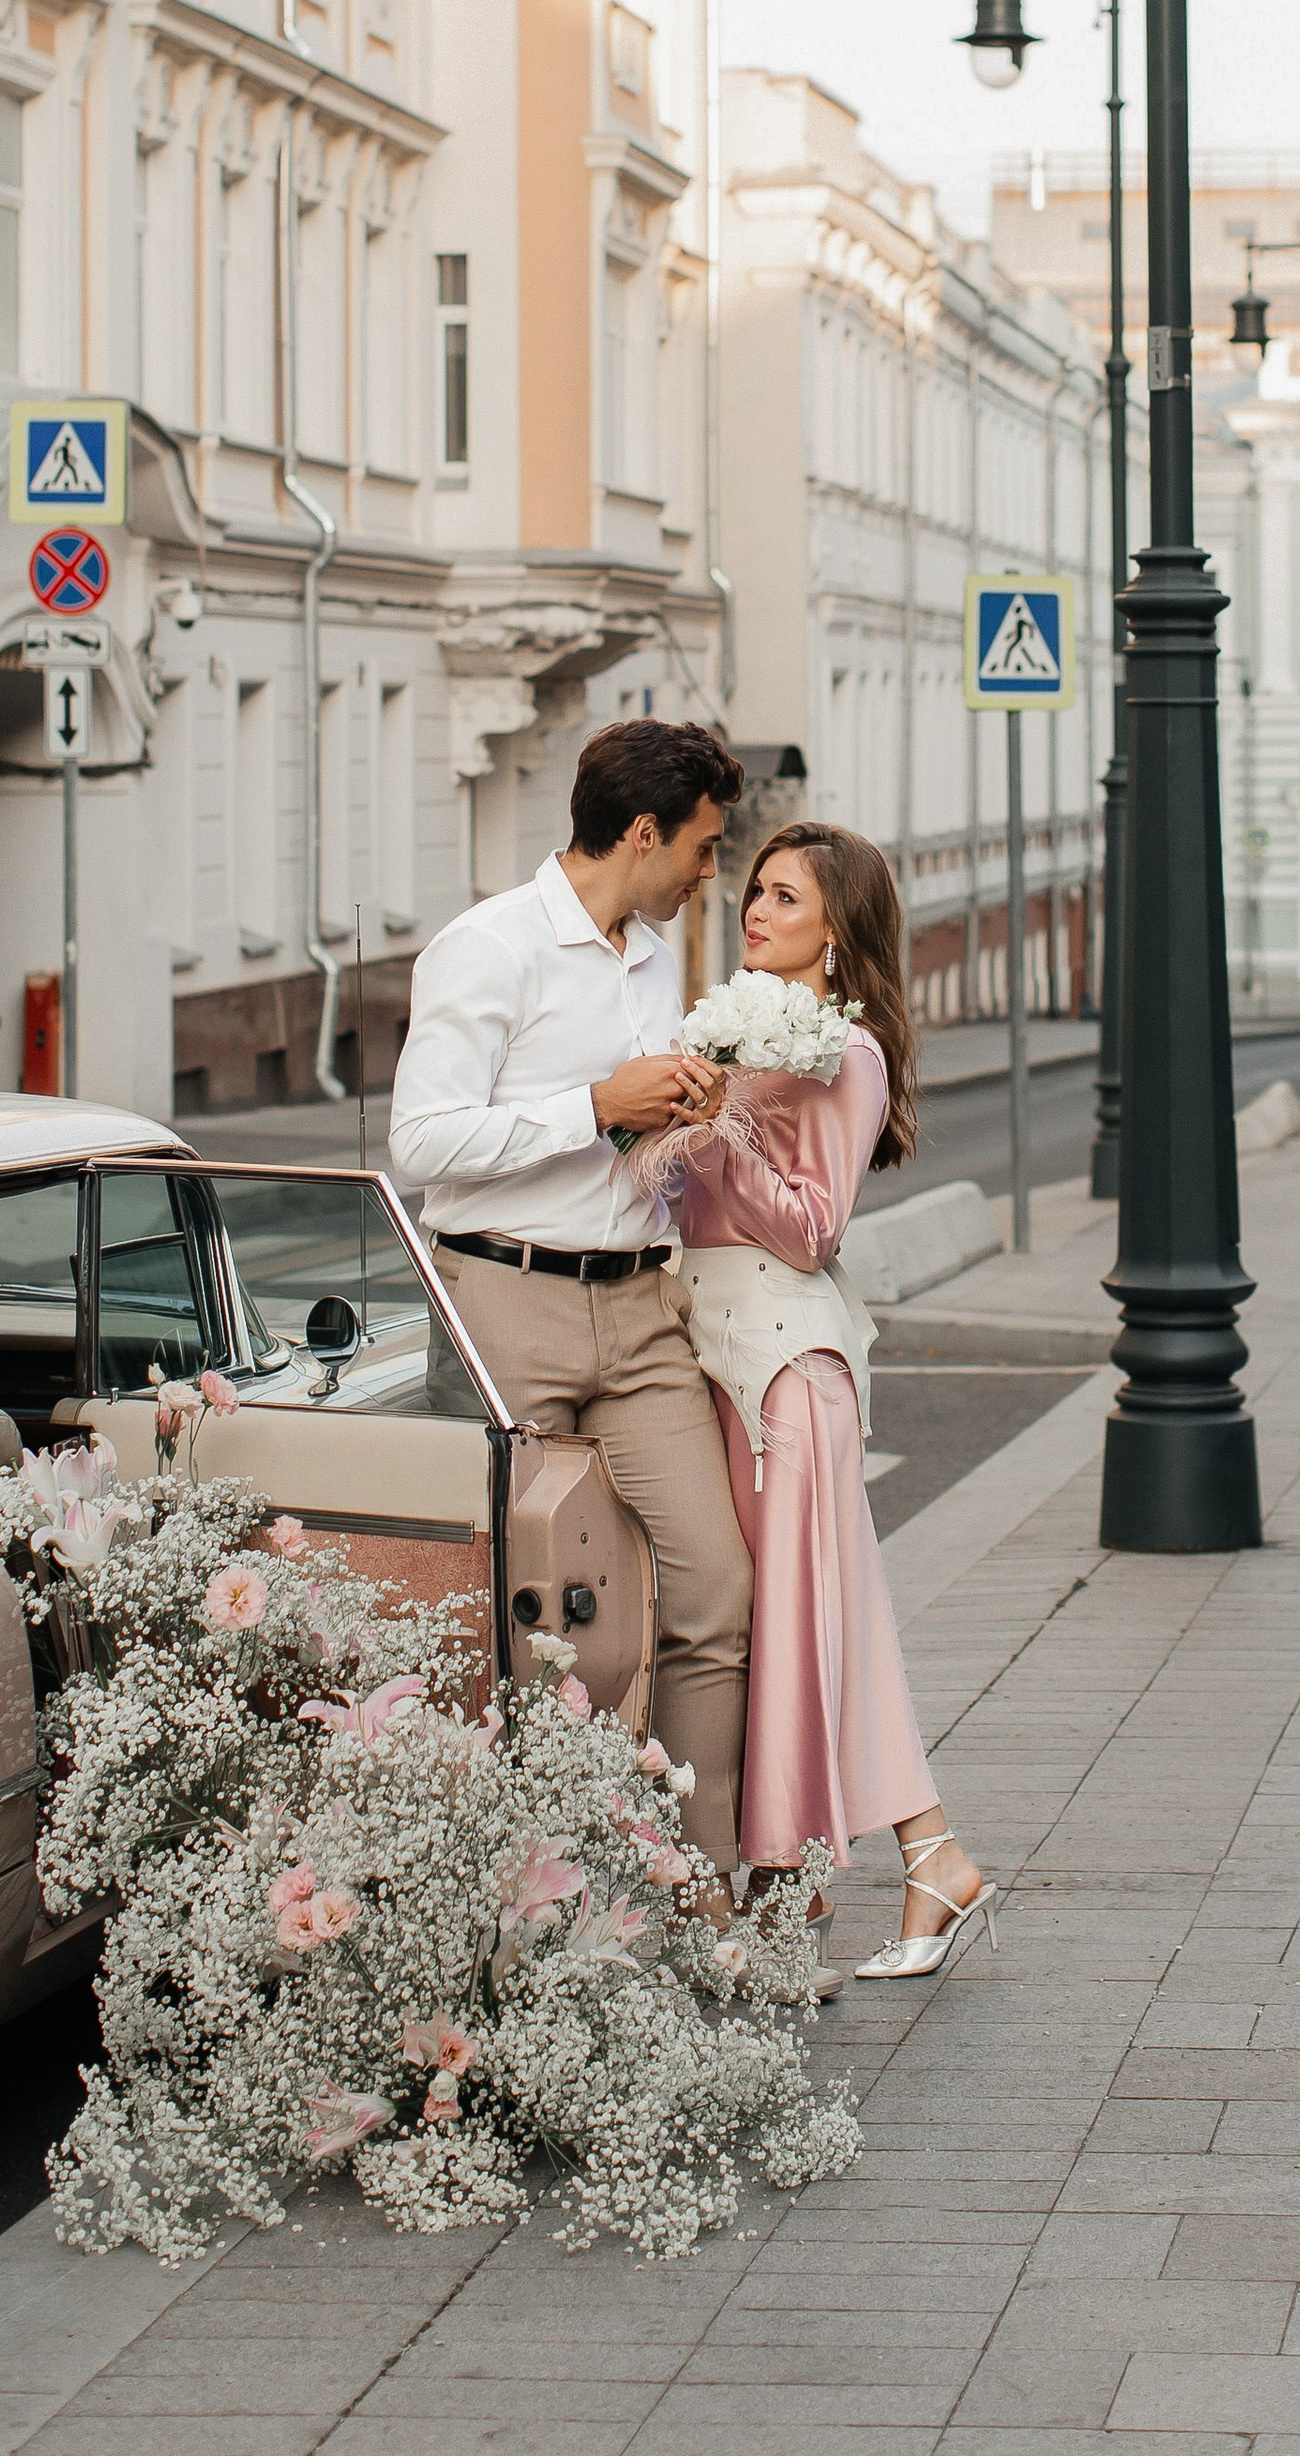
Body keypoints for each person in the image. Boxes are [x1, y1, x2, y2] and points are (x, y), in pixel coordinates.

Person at [387, 718, 749, 1877]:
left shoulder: (647, 952)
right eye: (698, 849)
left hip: (641, 1314)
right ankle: (538, 1902)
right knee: (521, 1622)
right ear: (641, 833)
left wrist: (681, 1113)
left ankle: (696, 1899)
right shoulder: (487, 947)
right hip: (507, 1306)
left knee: (712, 1589)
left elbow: (628, 1128)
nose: (709, 874)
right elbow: (421, 1143)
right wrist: (596, 1104)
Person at [665, 822, 999, 1981]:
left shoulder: (842, 1052)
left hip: (789, 1378)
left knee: (804, 1630)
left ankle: (796, 1887)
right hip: (718, 1360)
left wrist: (713, 1140)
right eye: (755, 889)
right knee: (794, 1627)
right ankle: (921, 1861)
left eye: (786, 897)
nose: (756, 910)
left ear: (837, 931)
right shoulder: (739, 1033)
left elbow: (813, 1230)